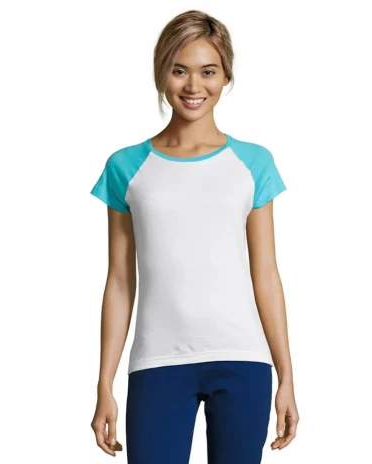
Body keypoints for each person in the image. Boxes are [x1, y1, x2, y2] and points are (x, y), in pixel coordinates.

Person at [89, 9, 299, 463]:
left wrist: (286, 376)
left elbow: (266, 275)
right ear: (161, 72)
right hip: (157, 363)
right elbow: (120, 281)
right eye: (179, 70)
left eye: (208, 71)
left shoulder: (253, 163)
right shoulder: (126, 166)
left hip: (242, 360)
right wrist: (104, 383)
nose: (193, 86)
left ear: (226, 77)